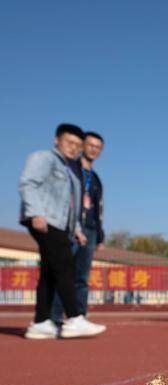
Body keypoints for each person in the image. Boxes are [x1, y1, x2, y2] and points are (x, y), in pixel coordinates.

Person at [19, 123, 105, 339]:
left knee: (49, 272)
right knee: (66, 267)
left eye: (77, 144)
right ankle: (75, 318)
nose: (74, 148)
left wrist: (76, 228)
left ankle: (40, 322)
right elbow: (28, 183)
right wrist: (36, 213)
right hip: (46, 221)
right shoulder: (44, 158)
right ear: (57, 140)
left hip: (61, 225)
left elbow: (70, 206)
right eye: (70, 142)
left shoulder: (69, 171)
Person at [51, 131, 106, 325]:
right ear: (82, 146)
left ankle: (79, 316)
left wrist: (100, 235)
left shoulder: (96, 179)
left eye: (98, 147)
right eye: (90, 145)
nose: (94, 149)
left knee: (82, 276)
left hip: (90, 229)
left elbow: (99, 208)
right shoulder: (70, 168)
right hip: (70, 227)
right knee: (64, 272)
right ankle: (55, 316)